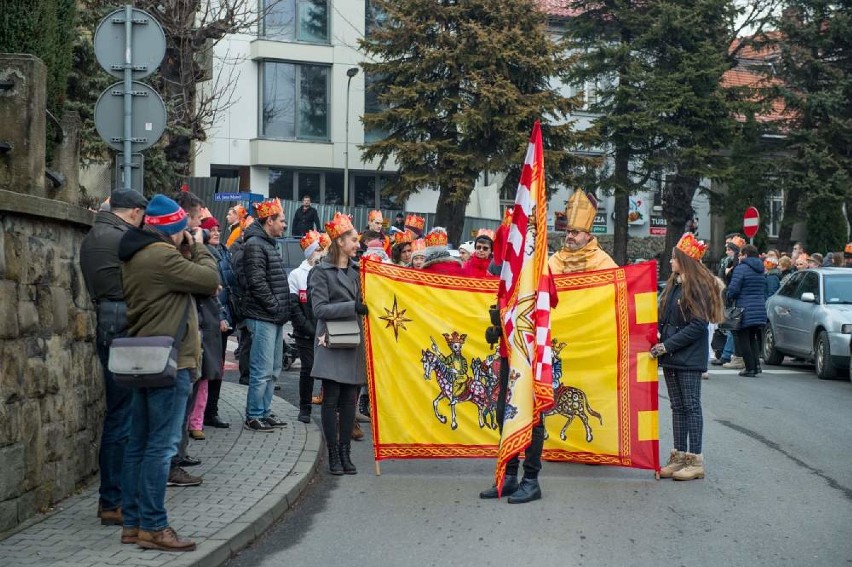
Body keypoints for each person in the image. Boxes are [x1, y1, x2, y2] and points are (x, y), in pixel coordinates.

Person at [481, 189, 616, 504]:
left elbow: (553, 301)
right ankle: (509, 476)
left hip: (539, 352)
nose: (570, 236)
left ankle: (531, 478)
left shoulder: (541, 267)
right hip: (510, 352)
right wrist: (495, 326)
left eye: (575, 231)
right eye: (567, 231)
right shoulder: (516, 267)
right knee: (505, 412)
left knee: (534, 414)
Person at [117, 194, 220, 551]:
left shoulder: (135, 254)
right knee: (161, 448)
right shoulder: (162, 256)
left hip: (145, 358)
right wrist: (201, 246)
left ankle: (132, 523)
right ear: (173, 230)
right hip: (170, 363)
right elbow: (209, 279)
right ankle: (155, 527)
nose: (187, 233)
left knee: (139, 444)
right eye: (183, 228)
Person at [79, 188, 148, 527]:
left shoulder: (94, 235)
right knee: (123, 416)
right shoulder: (122, 239)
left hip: (106, 319)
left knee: (119, 413)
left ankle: (114, 498)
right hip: (124, 322)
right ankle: (113, 500)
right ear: (133, 212)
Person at [653, 233, 724, 482]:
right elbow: (664, 316)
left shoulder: (698, 286)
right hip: (672, 355)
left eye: (674, 258)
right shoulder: (675, 284)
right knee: (677, 407)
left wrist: (665, 346)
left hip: (688, 356)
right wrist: (657, 333)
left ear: (684, 260)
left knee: (691, 407)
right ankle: (679, 456)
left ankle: (695, 459)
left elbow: (697, 326)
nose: (670, 261)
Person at [310, 212, 367, 475]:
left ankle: (346, 452)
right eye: (354, 240)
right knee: (331, 399)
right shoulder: (321, 272)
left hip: (353, 341)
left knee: (349, 402)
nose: (358, 244)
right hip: (332, 341)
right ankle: (333, 453)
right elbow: (319, 309)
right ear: (340, 242)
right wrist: (351, 306)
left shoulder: (359, 272)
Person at [242, 198, 290, 431]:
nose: (284, 225)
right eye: (281, 220)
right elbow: (257, 282)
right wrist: (275, 307)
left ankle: (265, 411)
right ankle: (253, 414)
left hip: (272, 316)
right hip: (263, 316)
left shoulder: (268, 243)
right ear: (269, 220)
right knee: (262, 370)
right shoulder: (255, 244)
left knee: (273, 370)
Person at [289, 230, 330, 423]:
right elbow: (294, 306)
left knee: (330, 371)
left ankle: (330, 408)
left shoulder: (327, 271)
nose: (321, 253)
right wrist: (308, 328)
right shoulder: (296, 275)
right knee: (308, 368)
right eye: (318, 250)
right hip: (305, 333)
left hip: (325, 331)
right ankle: (304, 407)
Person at [202, 215, 235, 430]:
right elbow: (215, 288)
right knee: (208, 368)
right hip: (211, 318)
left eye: (217, 229)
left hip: (224, 317)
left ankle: (211, 411)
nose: (215, 232)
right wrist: (221, 316)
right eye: (211, 229)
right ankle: (202, 414)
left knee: (219, 368)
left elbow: (229, 285)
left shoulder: (224, 251)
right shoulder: (203, 253)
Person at [727, 244, 768, 377]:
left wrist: (728, 297)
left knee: (743, 338)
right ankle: (756, 366)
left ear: (745, 255)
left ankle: (749, 368)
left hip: (744, 308)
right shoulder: (761, 269)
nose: (739, 258)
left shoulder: (741, 268)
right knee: (753, 338)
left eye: (740, 255)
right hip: (759, 308)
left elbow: (734, 289)